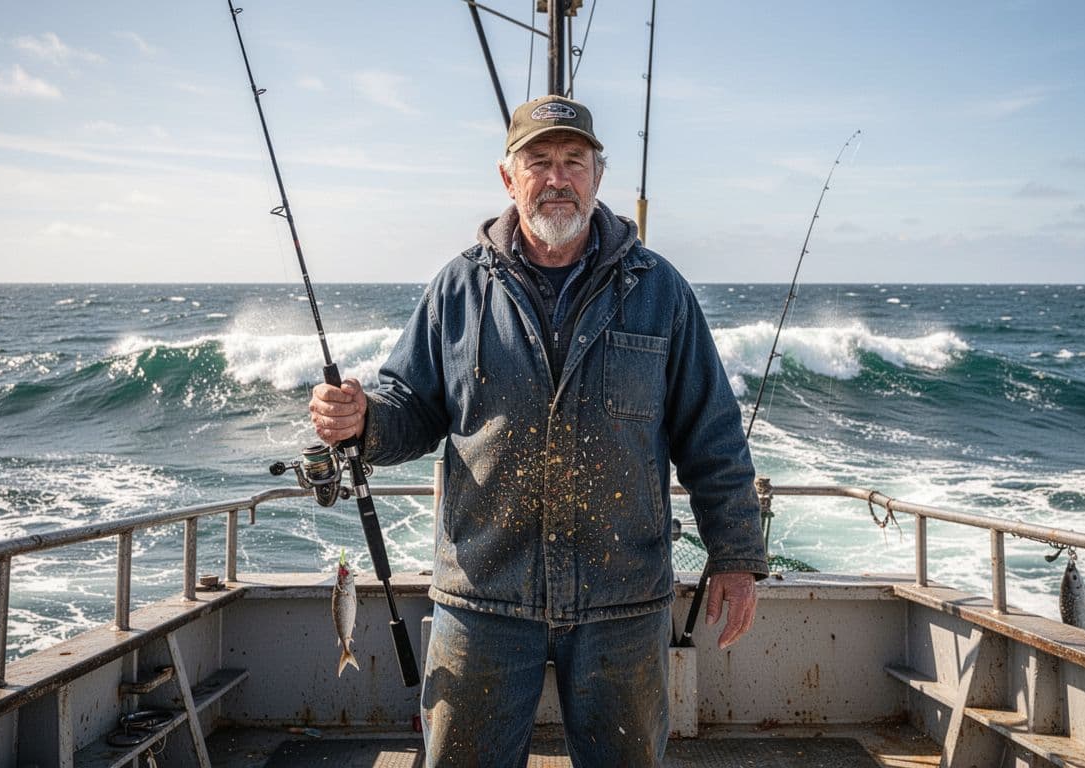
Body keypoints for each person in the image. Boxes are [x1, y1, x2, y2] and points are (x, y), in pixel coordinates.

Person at [309, 94, 767, 767]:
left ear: (597, 177)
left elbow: (713, 433)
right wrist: (364, 418)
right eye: (539, 161)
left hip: (623, 601)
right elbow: (410, 403)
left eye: (573, 162)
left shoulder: (661, 291)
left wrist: (734, 554)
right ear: (508, 178)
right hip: (484, 600)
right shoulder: (457, 290)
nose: (557, 178)